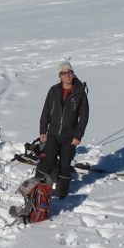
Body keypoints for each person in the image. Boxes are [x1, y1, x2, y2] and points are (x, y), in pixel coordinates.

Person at [36, 61, 89, 200]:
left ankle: (61, 193)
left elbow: (83, 117)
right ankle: (38, 188)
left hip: (69, 136)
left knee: (65, 166)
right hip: (53, 134)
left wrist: (78, 135)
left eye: (69, 72)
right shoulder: (53, 91)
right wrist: (43, 131)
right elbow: (46, 112)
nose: (67, 75)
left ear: (73, 74)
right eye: (64, 73)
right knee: (48, 162)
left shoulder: (80, 92)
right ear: (59, 76)